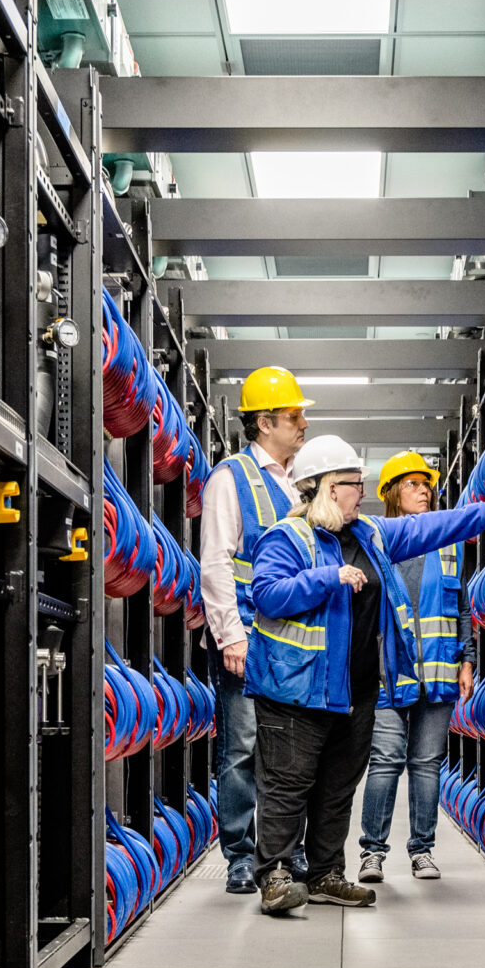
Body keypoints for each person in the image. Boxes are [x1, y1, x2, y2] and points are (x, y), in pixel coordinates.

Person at [243, 435, 485, 914]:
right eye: (355, 484)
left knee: (337, 789)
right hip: (294, 691)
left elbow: (424, 530)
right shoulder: (287, 538)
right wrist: (326, 579)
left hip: (354, 691)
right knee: (288, 788)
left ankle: (326, 875)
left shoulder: (371, 535)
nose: (363, 492)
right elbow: (267, 594)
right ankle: (275, 876)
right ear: (330, 487)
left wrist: (484, 515)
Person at [198, 365, 312, 892]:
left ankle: (286, 851)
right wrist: (231, 636)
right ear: (265, 422)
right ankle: (242, 856)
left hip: (295, 646)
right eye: (294, 415)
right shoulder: (231, 477)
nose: (303, 423)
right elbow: (217, 562)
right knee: (242, 750)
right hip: (248, 641)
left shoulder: (299, 482)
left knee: (291, 753)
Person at [356, 452, 465, 883]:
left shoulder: (447, 544)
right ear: (392, 495)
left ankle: (422, 850)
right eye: (413, 484)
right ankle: (372, 853)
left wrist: (468, 660)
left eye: (427, 484)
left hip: (438, 675)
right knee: (385, 760)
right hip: (387, 673)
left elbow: (463, 608)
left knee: (426, 763)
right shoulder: (375, 544)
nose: (424, 491)